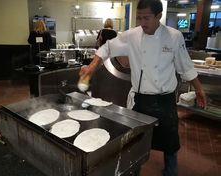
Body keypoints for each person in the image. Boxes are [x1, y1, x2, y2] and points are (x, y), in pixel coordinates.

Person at [79, 0, 207, 175]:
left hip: (165, 100)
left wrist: (199, 89)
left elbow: (185, 67)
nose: (142, 23)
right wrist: (91, 67)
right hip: (141, 100)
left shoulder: (174, 36)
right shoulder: (132, 35)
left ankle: (170, 172)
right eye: (139, 18)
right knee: (137, 143)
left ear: (159, 16)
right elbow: (107, 48)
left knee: (170, 143)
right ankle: (134, 170)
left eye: (146, 18)